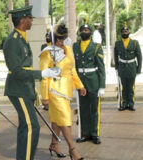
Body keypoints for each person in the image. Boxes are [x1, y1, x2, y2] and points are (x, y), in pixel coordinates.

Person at [3, 5, 60, 160]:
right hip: (18, 89)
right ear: (23, 20)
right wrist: (42, 73)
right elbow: (17, 70)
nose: (32, 20)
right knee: (31, 127)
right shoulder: (13, 41)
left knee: (25, 127)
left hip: (24, 88)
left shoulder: (21, 37)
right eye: (30, 18)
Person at [40, 24, 86, 160]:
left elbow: (72, 69)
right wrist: (45, 97)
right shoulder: (47, 52)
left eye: (63, 38)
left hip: (66, 90)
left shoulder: (68, 49)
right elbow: (44, 75)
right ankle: (73, 150)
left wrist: (80, 85)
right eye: (58, 39)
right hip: (54, 89)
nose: (61, 41)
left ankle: (54, 144)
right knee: (66, 119)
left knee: (56, 119)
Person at [73, 21, 106, 145]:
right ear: (80, 32)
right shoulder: (75, 46)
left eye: (87, 31)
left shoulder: (96, 47)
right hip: (81, 82)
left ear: (90, 33)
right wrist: (74, 84)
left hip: (93, 82)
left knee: (94, 109)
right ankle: (85, 133)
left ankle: (95, 134)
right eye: (82, 30)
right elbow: (73, 66)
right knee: (83, 109)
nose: (84, 32)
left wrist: (102, 86)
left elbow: (101, 68)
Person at [114, 22, 142, 111]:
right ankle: (124, 103)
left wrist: (139, 69)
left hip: (132, 67)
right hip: (122, 67)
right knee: (123, 87)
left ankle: (131, 104)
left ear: (129, 32)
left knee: (131, 87)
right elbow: (115, 56)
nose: (125, 33)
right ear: (121, 33)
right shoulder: (118, 43)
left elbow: (139, 56)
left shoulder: (134, 43)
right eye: (123, 32)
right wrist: (116, 68)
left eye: (126, 31)